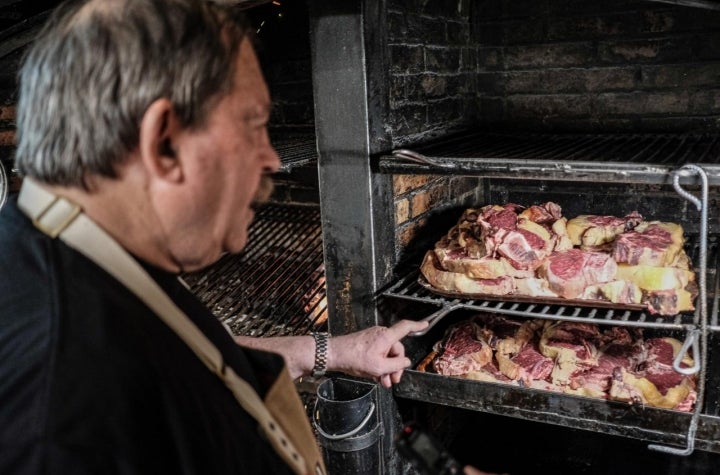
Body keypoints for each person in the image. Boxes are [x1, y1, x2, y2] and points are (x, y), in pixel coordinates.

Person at [0, 0, 429, 474]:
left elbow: (194, 355)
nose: (269, 159)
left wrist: (333, 351)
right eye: (253, 125)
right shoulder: (62, 417)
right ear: (163, 143)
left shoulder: (70, 257)